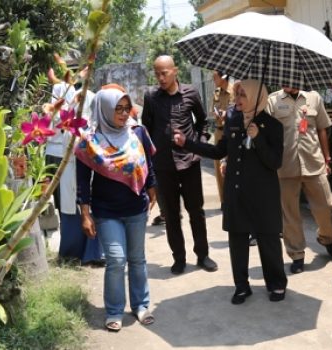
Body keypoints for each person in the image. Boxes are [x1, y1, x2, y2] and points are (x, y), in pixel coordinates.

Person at [174, 79, 287, 303]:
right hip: (237, 191)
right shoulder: (234, 120)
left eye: (243, 94)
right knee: (237, 241)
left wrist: (258, 139)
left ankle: (276, 284)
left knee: (269, 240)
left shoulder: (273, 126)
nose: (237, 99)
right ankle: (242, 286)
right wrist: (188, 143)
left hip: (263, 195)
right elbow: (219, 151)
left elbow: (275, 162)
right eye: (237, 93)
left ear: (256, 97)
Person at [75, 87, 157, 331]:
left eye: (126, 108)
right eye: (117, 109)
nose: (123, 114)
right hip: (106, 210)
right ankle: (114, 310)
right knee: (116, 260)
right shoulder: (89, 141)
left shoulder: (137, 132)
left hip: (136, 207)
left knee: (137, 259)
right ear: (104, 110)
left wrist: (153, 189)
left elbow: (148, 166)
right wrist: (85, 214)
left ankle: (141, 305)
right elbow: (82, 181)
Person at [142, 55, 218, 275]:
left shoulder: (191, 92)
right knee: (172, 215)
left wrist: (199, 142)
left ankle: (203, 255)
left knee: (197, 211)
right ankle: (179, 258)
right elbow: (145, 129)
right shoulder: (151, 97)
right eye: (156, 73)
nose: (160, 77)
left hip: (190, 162)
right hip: (164, 165)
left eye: (164, 73)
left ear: (174, 71)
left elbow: (202, 121)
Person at [267, 87, 332, 274]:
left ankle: (326, 238)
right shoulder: (272, 101)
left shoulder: (314, 97)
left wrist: (327, 158)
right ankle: (297, 254)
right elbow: (266, 132)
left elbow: (322, 128)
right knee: (290, 214)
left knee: (326, 204)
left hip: (313, 162)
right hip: (285, 166)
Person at [49, 81, 103, 265]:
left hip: (85, 171)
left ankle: (92, 253)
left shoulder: (91, 126)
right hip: (69, 169)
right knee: (71, 210)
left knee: (87, 208)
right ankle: (73, 253)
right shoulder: (65, 123)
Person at [211, 71, 233, 207]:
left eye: (215, 77)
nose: (213, 80)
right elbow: (213, 111)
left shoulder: (236, 91)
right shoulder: (216, 93)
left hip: (232, 133)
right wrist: (216, 113)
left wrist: (228, 115)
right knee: (219, 167)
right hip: (219, 132)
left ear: (223, 77)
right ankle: (224, 201)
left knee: (232, 165)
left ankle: (234, 199)